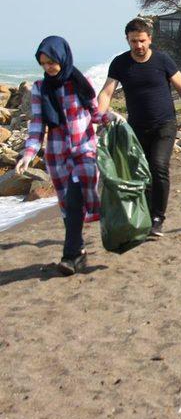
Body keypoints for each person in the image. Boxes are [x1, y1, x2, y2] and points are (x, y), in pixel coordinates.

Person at [97, 18, 181, 237]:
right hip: (136, 127)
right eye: (134, 41)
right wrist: (99, 116)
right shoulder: (120, 63)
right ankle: (144, 215)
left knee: (158, 166)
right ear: (127, 40)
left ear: (149, 39)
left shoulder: (163, 61)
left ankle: (157, 218)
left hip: (165, 124)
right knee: (141, 172)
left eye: (142, 41)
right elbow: (107, 92)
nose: (139, 46)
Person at [15, 37, 102, 275]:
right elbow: (36, 125)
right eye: (43, 63)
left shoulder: (83, 83)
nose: (48, 68)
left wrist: (113, 121)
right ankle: (79, 254)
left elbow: (96, 115)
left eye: (51, 62)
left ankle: (68, 256)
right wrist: (28, 154)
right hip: (57, 155)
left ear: (62, 57)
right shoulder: (40, 88)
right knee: (67, 207)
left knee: (75, 200)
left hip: (84, 150)